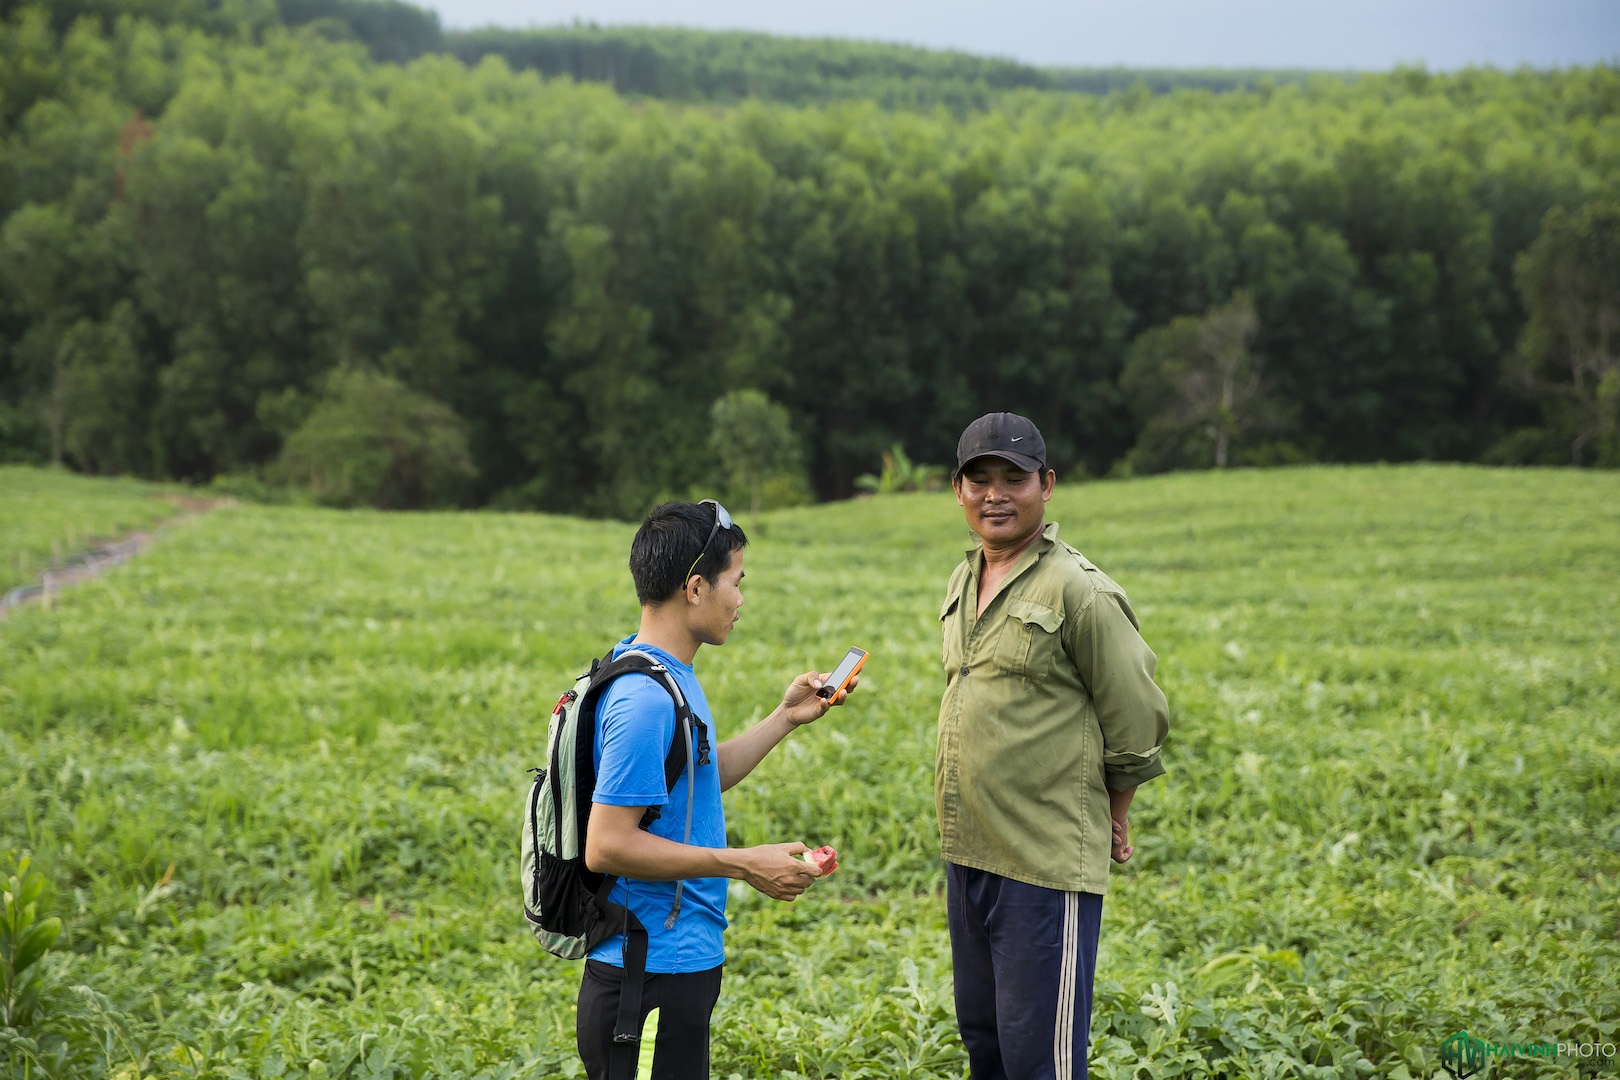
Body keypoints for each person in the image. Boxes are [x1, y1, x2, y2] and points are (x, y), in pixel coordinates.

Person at [578, 499, 855, 1080]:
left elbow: (696, 778)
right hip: (645, 975)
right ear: (696, 587)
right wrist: (741, 863)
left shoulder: (668, 674)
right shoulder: (645, 699)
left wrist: (784, 718)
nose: (742, 599)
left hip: (675, 968)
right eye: (736, 582)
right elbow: (606, 845)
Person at [935, 413, 1170, 1080]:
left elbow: (1136, 716)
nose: (996, 494)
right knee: (986, 1044)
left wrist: (1115, 812)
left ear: (1048, 485)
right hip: (969, 853)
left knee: (1042, 1061)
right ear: (958, 490)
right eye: (980, 480)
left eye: (1015, 479)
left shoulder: (1079, 589)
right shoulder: (964, 577)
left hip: (1042, 864)